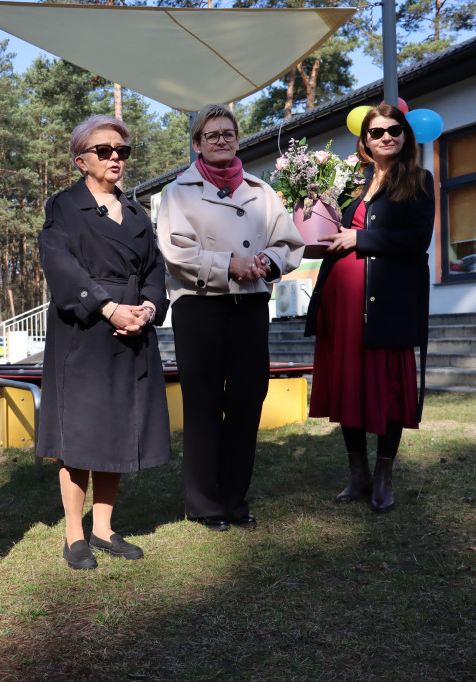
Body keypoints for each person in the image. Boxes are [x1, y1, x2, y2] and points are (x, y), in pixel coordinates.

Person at [157, 103, 304, 532]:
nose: (222, 140)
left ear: (238, 139)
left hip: (250, 305)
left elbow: (288, 242)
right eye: (212, 134)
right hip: (200, 305)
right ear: (197, 143)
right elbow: (177, 251)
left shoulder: (262, 191)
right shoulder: (177, 191)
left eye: (229, 133)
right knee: (202, 403)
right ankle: (204, 503)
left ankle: (235, 500)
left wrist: (265, 262)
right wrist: (228, 265)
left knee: (246, 399)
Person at [38, 114, 171, 570]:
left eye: (123, 150)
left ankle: (104, 528)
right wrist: (107, 307)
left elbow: (156, 271)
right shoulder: (63, 206)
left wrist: (148, 310)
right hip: (85, 330)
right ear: (81, 160)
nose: (115, 157)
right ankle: (74, 535)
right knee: (79, 433)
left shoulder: (137, 213)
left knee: (118, 426)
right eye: (104, 150)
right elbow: (60, 266)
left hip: (134, 327)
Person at [304, 104, 435, 514]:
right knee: (349, 383)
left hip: (387, 302)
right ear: (364, 142)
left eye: (395, 130)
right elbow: (326, 231)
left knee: (389, 386)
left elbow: (417, 239)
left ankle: (383, 474)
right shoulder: (349, 184)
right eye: (377, 133)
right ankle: (357, 473)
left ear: (406, 136)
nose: (386, 138)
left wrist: (361, 240)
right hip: (340, 301)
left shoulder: (418, 180)